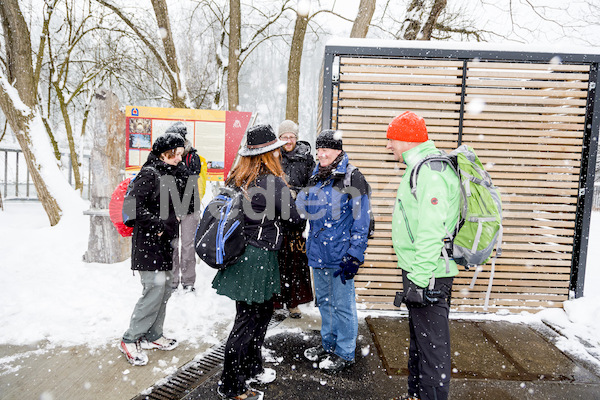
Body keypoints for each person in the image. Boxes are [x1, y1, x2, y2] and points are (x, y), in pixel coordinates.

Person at [212, 124, 302, 400]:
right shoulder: (271, 182)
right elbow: (296, 219)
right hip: (257, 256)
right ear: (268, 153)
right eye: (275, 149)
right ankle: (232, 386)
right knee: (248, 321)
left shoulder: (239, 177)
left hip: (244, 254)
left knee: (258, 315)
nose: (279, 153)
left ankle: (251, 368)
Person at [385, 111, 460, 400]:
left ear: (406, 140)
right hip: (421, 271)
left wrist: (418, 279)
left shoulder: (431, 171)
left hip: (429, 273)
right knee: (420, 342)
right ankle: (415, 395)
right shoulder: (419, 168)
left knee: (433, 351)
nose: (388, 146)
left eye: (391, 140)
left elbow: (432, 230)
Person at [296, 129, 371, 372]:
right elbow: (306, 212)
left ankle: (345, 352)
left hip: (341, 256)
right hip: (318, 253)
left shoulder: (352, 178)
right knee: (326, 304)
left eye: (326, 148)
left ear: (338, 150)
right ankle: (328, 344)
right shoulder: (316, 175)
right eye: (318, 149)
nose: (321, 153)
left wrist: (354, 255)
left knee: (343, 306)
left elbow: (362, 222)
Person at [119, 132, 186, 366]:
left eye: (181, 154)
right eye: (175, 154)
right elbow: (130, 207)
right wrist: (157, 225)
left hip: (165, 244)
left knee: (166, 289)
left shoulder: (170, 174)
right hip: (149, 245)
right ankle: (130, 338)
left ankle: (153, 334)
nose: (179, 158)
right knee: (153, 291)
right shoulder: (149, 173)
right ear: (163, 154)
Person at [275, 120, 315, 318]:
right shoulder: (273, 157)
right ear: (279, 138)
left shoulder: (306, 159)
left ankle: (293, 302)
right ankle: (275, 301)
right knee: (276, 260)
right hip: (275, 219)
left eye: (292, 137)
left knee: (295, 260)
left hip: (297, 217)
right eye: (284, 137)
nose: (288, 140)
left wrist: (297, 194)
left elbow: (313, 185)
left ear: (296, 138)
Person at [165, 122, 208, 293]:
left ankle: (189, 281)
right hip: (171, 207)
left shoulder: (193, 157)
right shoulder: (167, 155)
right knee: (173, 245)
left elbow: (194, 181)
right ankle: (173, 280)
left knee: (188, 245)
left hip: (190, 206)